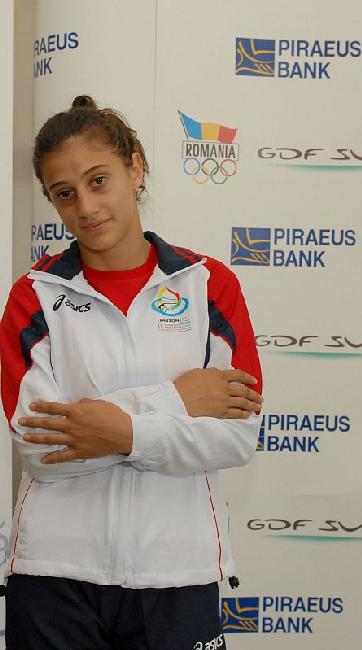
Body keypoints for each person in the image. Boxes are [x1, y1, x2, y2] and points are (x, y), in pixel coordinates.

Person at [0, 95, 263, 649]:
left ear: (135, 167)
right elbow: (42, 450)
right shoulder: (33, 296)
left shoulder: (209, 285)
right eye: (64, 193)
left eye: (99, 180)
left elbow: (236, 437)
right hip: (55, 575)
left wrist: (111, 430)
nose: (86, 206)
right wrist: (177, 400)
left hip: (178, 571)